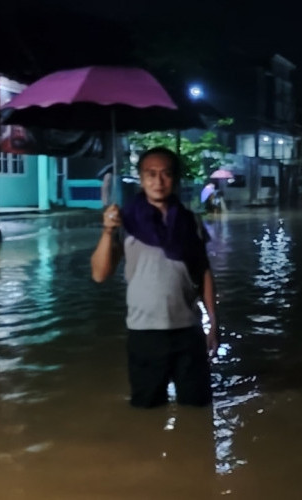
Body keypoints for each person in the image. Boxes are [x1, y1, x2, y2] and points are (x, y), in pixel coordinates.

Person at [91, 146, 218, 408]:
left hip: (188, 331)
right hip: (145, 333)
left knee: (198, 408)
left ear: (175, 179)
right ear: (141, 178)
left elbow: (203, 271)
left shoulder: (190, 221)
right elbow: (100, 274)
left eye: (166, 174)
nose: (158, 181)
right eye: (151, 174)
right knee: (147, 410)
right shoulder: (124, 221)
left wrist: (213, 322)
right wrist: (106, 231)